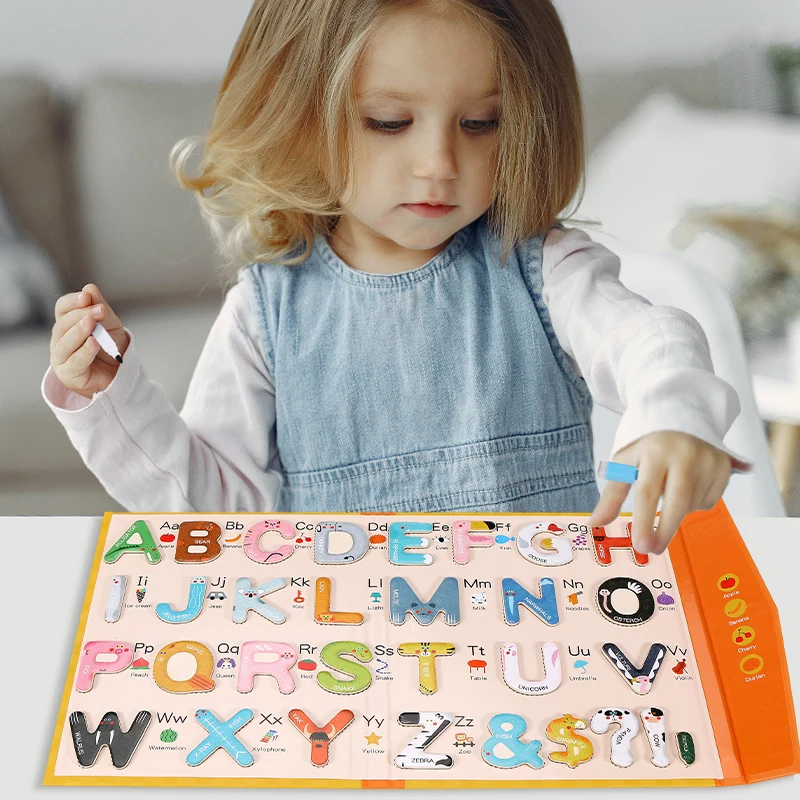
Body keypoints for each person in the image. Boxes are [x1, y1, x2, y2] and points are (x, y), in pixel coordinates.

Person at [42, 0, 752, 553]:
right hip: (346, 666)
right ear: (299, 120)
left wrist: (672, 413)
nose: (439, 162)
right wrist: (113, 396)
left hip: (535, 660)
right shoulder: (267, 312)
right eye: (388, 122)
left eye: (480, 123)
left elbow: (651, 337)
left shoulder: (543, 271)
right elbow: (216, 512)